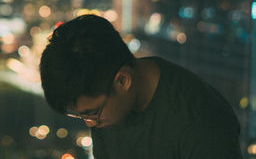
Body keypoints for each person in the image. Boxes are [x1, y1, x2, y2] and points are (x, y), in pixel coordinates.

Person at [40, 14, 242, 159]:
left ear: (123, 81)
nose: (90, 123)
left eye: (92, 113)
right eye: (82, 115)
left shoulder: (200, 121)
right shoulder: (108, 106)